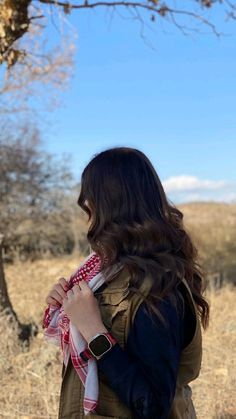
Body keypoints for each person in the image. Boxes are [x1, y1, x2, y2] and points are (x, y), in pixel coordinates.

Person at [43, 147, 209, 419]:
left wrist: (94, 331)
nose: (88, 214)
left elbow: (154, 405)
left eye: (91, 203)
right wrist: (68, 304)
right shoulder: (104, 275)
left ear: (109, 207)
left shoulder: (158, 287)